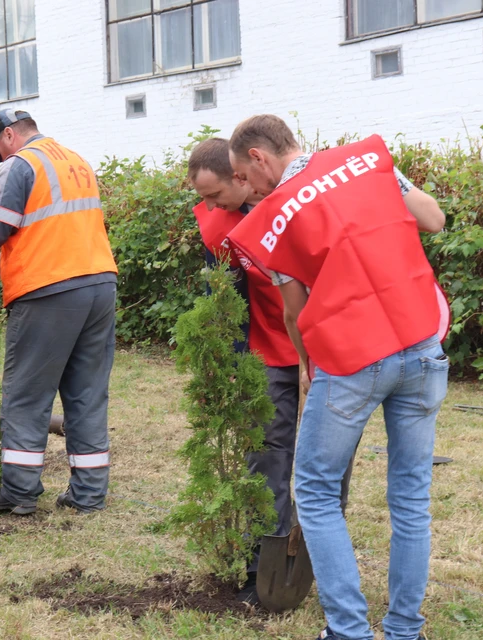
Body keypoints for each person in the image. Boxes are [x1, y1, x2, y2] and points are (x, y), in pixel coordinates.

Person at [226, 115, 449, 640]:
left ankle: (348, 630)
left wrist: (308, 368)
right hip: (422, 344)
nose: (249, 190)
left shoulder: (274, 214)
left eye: (244, 177)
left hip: (353, 359)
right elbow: (432, 219)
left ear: (260, 157)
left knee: (315, 490)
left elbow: (293, 313)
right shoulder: (365, 161)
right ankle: (403, 630)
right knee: (412, 495)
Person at [0, 109, 118, 515]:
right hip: (99, 284)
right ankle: (89, 494)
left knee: (26, 394)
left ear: (8, 136)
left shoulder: (19, 166)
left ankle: (20, 491)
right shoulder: (75, 162)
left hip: (48, 291)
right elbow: (62, 229)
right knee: (88, 393)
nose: (1, 159)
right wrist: (3, 263)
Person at [187, 138, 300, 604]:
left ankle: (313, 561)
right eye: (203, 197)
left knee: (320, 467)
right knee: (267, 459)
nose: (208, 205)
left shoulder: (293, 199)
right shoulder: (216, 224)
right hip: (270, 351)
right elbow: (229, 298)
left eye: (214, 194)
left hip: (326, 348)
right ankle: (263, 572)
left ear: (241, 174)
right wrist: (236, 362)